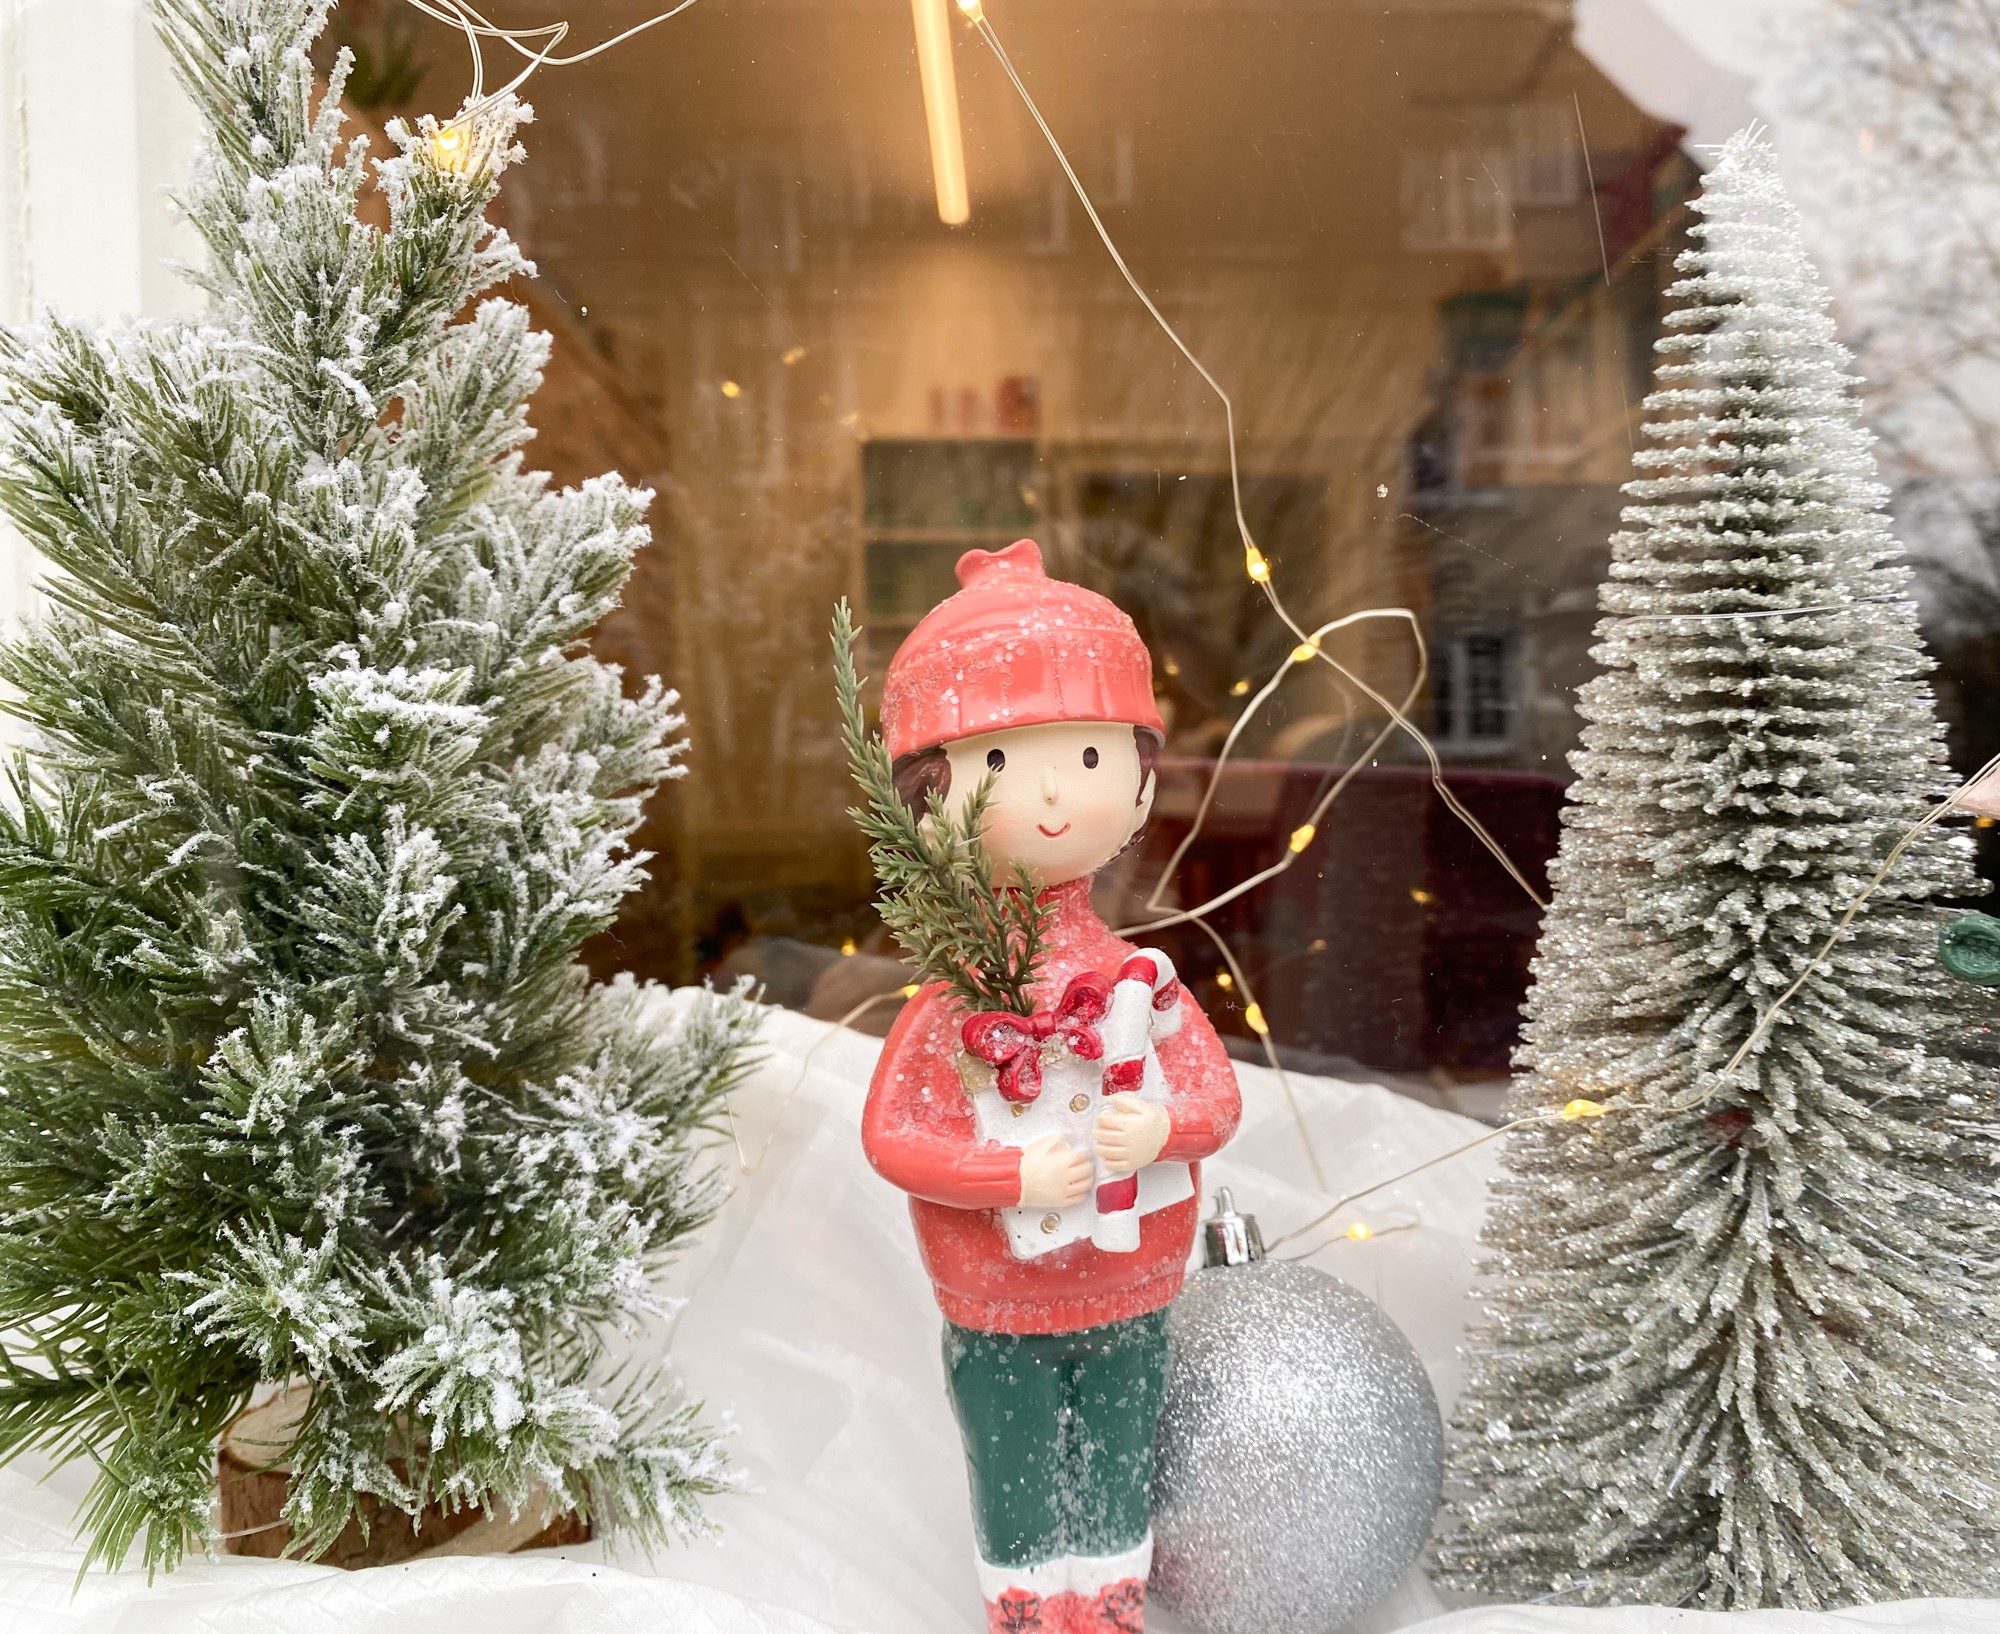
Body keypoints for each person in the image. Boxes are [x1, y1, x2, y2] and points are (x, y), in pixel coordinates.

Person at [860, 540, 1241, 1634]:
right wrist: (1006, 1175)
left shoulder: (1140, 982)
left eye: (1086, 753)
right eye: (997, 762)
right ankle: (1028, 1610)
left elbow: (1215, 1100)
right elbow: (893, 1137)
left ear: (1140, 779)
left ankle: (1110, 1605)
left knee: (1119, 1450)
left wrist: (1161, 1126)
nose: (1055, 792)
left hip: (1132, 1281)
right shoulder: (955, 1004)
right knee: (1013, 1451)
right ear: (924, 801)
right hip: (997, 1294)